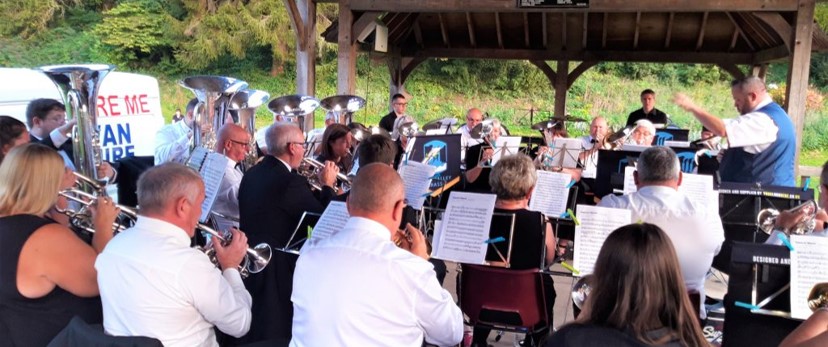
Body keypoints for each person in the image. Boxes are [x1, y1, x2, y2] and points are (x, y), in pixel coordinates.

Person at [290, 163, 464, 347]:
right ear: (398, 209)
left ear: (348, 205)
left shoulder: (309, 251)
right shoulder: (412, 270)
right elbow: (452, 333)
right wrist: (420, 263)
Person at [96, 163, 251, 346]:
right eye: (201, 204)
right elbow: (240, 324)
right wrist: (230, 266)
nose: (201, 212)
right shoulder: (188, 263)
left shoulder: (113, 247)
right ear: (183, 206)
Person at [0, 143, 118, 346]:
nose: (69, 174)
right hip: (59, 337)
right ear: (46, 182)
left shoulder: (14, 224)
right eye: (62, 171)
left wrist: (57, 205)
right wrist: (103, 226)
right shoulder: (45, 237)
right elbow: (96, 279)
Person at [236, 122, 338, 343]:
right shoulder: (291, 181)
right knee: (277, 331)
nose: (304, 150)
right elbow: (322, 220)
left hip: (251, 262)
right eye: (303, 145)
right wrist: (327, 186)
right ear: (292, 147)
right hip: (278, 268)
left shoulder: (251, 174)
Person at [598, 146, 725, 317]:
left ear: (635, 177)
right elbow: (716, 249)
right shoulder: (707, 215)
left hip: (624, 319)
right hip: (685, 322)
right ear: (680, 179)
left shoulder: (611, 206)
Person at [547, 223, 708, 347]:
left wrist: (581, 324)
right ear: (670, 279)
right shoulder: (689, 342)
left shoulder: (568, 340)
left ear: (603, 276)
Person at [471, 154, 558, 347]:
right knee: (545, 280)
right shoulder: (541, 221)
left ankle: (478, 340)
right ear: (530, 191)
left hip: (479, 303)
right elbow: (548, 259)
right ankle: (537, 340)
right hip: (527, 308)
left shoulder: (475, 215)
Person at [674, 76, 796, 186]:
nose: (735, 104)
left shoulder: (762, 120)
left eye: (738, 100)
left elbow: (722, 129)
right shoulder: (774, 115)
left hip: (762, 198)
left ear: (752, 96)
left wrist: (692, 107)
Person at [27, 98, 118, 181]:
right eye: (56, 119)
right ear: (37, 122)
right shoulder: (25, 147)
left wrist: (108, 171)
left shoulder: (70, 143)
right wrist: (67, 127)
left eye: (64, 119)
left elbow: (101, 165)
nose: (63, 123)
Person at [211, 123, 251, 233]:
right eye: (244, 145)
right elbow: (250, 204)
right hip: (234, 234)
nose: (248, 149)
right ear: (228, 145)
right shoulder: (226, 174)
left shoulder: (216, 163)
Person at [463, 118, 503, 193]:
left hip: (499, 192)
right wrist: (483, 161)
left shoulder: (505, 150)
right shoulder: (474, 150)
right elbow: (469, 179)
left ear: (500, 133)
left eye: (496, 131)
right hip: (479, 191)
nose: (492, 134)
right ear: (484, 134)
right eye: (489, 131)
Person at [155, 98, 198, 165]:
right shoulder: (166, 131)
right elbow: (163, 159)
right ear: (191, 115)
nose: (210, 124)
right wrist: (190, 136)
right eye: (206, 119)